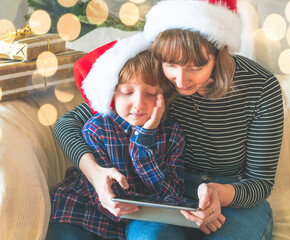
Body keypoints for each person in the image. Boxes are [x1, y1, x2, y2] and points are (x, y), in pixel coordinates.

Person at [53, 0, 284, 239]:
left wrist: (218, 192)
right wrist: (95, 173)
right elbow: (67, 124)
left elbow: (261, 182)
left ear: (219, 51)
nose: (180, 80)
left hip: (233, 196)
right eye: (171, 64)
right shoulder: (157, 78)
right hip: (165, 196)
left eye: (196, 66)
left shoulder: (261, 87)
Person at [47, 33, 191, 240]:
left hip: (124, 222)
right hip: (80, 210)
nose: (138, 104)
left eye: (150, 93)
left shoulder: (173, 135)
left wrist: (144, 143)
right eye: (127, 92)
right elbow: (108, 198)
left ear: (164, 96)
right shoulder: (96, 129)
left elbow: (171, 196)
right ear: (112, 94)